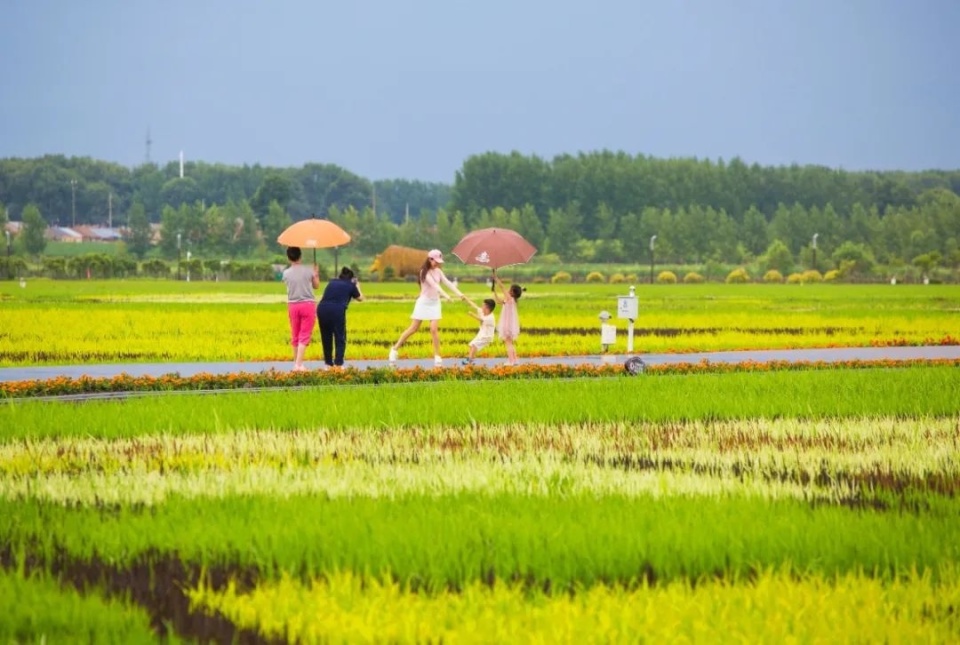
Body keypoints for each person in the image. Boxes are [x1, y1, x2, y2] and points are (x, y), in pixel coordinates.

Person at [388, 249, 465, 367]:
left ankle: (437, 356)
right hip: (423, 303)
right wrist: (447, 296)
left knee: (434, 330)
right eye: (436, 261)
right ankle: (394, 349)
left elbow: (447, 283)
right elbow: (435, 285)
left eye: (439, 262)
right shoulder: (424, 272)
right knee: (413, 328)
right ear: (430, 259)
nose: (438, 264)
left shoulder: (438, 271)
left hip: (435, 303)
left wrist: (459, 294)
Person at [316, 267, 364, 368]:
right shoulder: (351, 285)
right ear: (351, 278)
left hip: (322, 308)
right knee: (340, 337)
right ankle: (338, 364)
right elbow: (360, 298)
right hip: (337, 310)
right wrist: (358, 286)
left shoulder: (332, 282)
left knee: (326, 337)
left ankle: (328, 364)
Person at [282, 246, 320, 371]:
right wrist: (315, 274)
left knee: (295, 334)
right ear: (300, 256)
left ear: (288, 258)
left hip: (292, 305)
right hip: (308, 304)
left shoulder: (286, 273)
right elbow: (316, 286)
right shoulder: (308, 271)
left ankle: (296, 363)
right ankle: (299, 365)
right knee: (304, 334)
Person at [493, 270, 524, 366]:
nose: (508, 290)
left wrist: (495, 278)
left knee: (508, 343)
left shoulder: (510, 299)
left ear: (512, 293)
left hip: (507, 325)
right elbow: (499, 301)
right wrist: (494, 293)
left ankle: (511, 361)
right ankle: (515, 359)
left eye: (510, 290)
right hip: (509, 324)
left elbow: (502, 287)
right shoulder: (509, 300)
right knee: (510, 343)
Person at [461, 296, 496, 365]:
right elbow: (474, 306)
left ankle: (470, 360)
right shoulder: (483, 312)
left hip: (487, 336)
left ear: (487, 308)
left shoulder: (490, 317)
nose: (481, 307)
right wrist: (466, 299)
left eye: (483, 305)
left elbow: (481, 320)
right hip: (482, 334)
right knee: (472, 345)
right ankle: (472, 359)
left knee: (474, 345)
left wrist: (472, 315)